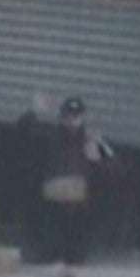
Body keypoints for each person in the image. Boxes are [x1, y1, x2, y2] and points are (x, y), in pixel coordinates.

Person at [18, 95, 114, 264]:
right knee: (49, 255)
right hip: (53, 205)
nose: (72, 121)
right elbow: (23, 130)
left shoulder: (91, 140)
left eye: (76, 116)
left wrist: (98, 160)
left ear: (83, 117)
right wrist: (34, 111)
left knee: (76, 257)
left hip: (79, 207)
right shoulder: (51, 136)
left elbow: (113, 166)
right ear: (62, 117)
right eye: (68, 116)